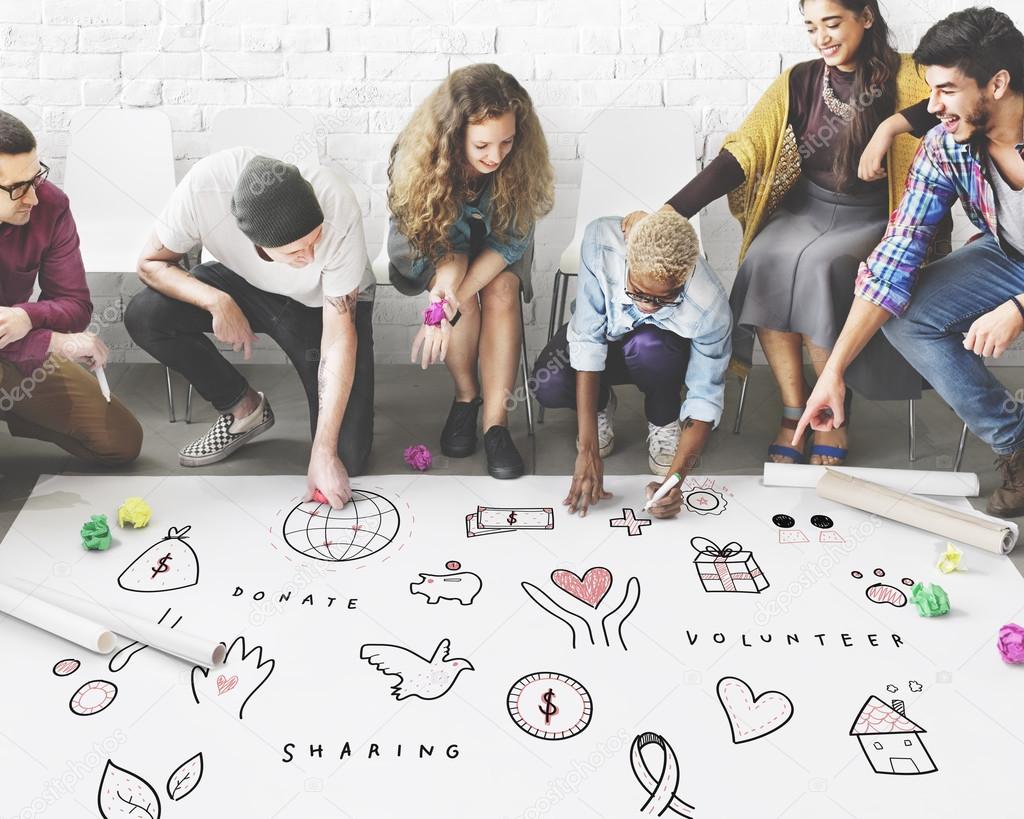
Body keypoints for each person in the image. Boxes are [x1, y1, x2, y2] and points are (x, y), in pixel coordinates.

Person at [624, 0, 946, 467]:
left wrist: (892, 125)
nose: (822, 38)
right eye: (812, 27)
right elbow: (744, 152)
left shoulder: (913, 74)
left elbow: (957, 102)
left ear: (867, 17)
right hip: (807, 208)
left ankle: (831, 413)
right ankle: (797, 411)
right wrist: (670, 214)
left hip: (877, 215)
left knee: (819, 265)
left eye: (833, 23)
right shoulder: (799, 80)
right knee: (763, 257)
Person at [796, 8, 1024, 518]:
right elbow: (897, 252)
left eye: (945, 90)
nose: (933, 106)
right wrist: (833, 372)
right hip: (1009, 254)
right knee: (908, 315)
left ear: (998, 83)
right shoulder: (946, 146)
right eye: (931, 91)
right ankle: (1018, 442)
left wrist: (1018, 308)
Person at [125, 148, 375, 508]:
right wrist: (217, 301)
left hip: (324, 303)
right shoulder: (203, 188)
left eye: (315, 240)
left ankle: (327, 445)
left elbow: (338, 335)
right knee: (145, 314)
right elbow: (149, 263)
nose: (309, 255)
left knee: (347, 456)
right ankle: (244, 407)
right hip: (245, 285)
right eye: (295, 252)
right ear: (257, 244)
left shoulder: (337, 203)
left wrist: (323, 451)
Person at [387, 63, 555, 479]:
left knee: (500, 291)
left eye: (507, 142)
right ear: (453, 134)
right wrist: (448, 290)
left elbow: (510, 242)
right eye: (482, 146)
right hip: (432, 245)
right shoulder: (417, 161)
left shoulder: (518, 162)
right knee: (460, 300)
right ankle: (466, 397)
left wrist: (449, 301)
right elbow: (444, 247)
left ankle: (496, 424)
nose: (496, 156)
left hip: (499, 244)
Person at [533, 210, 732, 518]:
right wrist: (587, 450)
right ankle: (600, 405)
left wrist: (674, 482)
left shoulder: (710, 306)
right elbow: (588, 339)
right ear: (627, 262)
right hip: (606, 339)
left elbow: (704, 398)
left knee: (650, 344)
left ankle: (664, 417)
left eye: (665, 299)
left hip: (660, 357)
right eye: (637, 292)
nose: (648, 307)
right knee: (548, 383)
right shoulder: (601, 242)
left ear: (685, 277)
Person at [0, 110, 141, 465]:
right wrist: (53, 341)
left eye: (36, 178)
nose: (32, 197)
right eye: (18, 189)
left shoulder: (49, 205)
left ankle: (15, 409)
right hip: (25, 345)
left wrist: (26, 317)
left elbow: (75, 304)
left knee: (121, 440)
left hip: (16, 348)